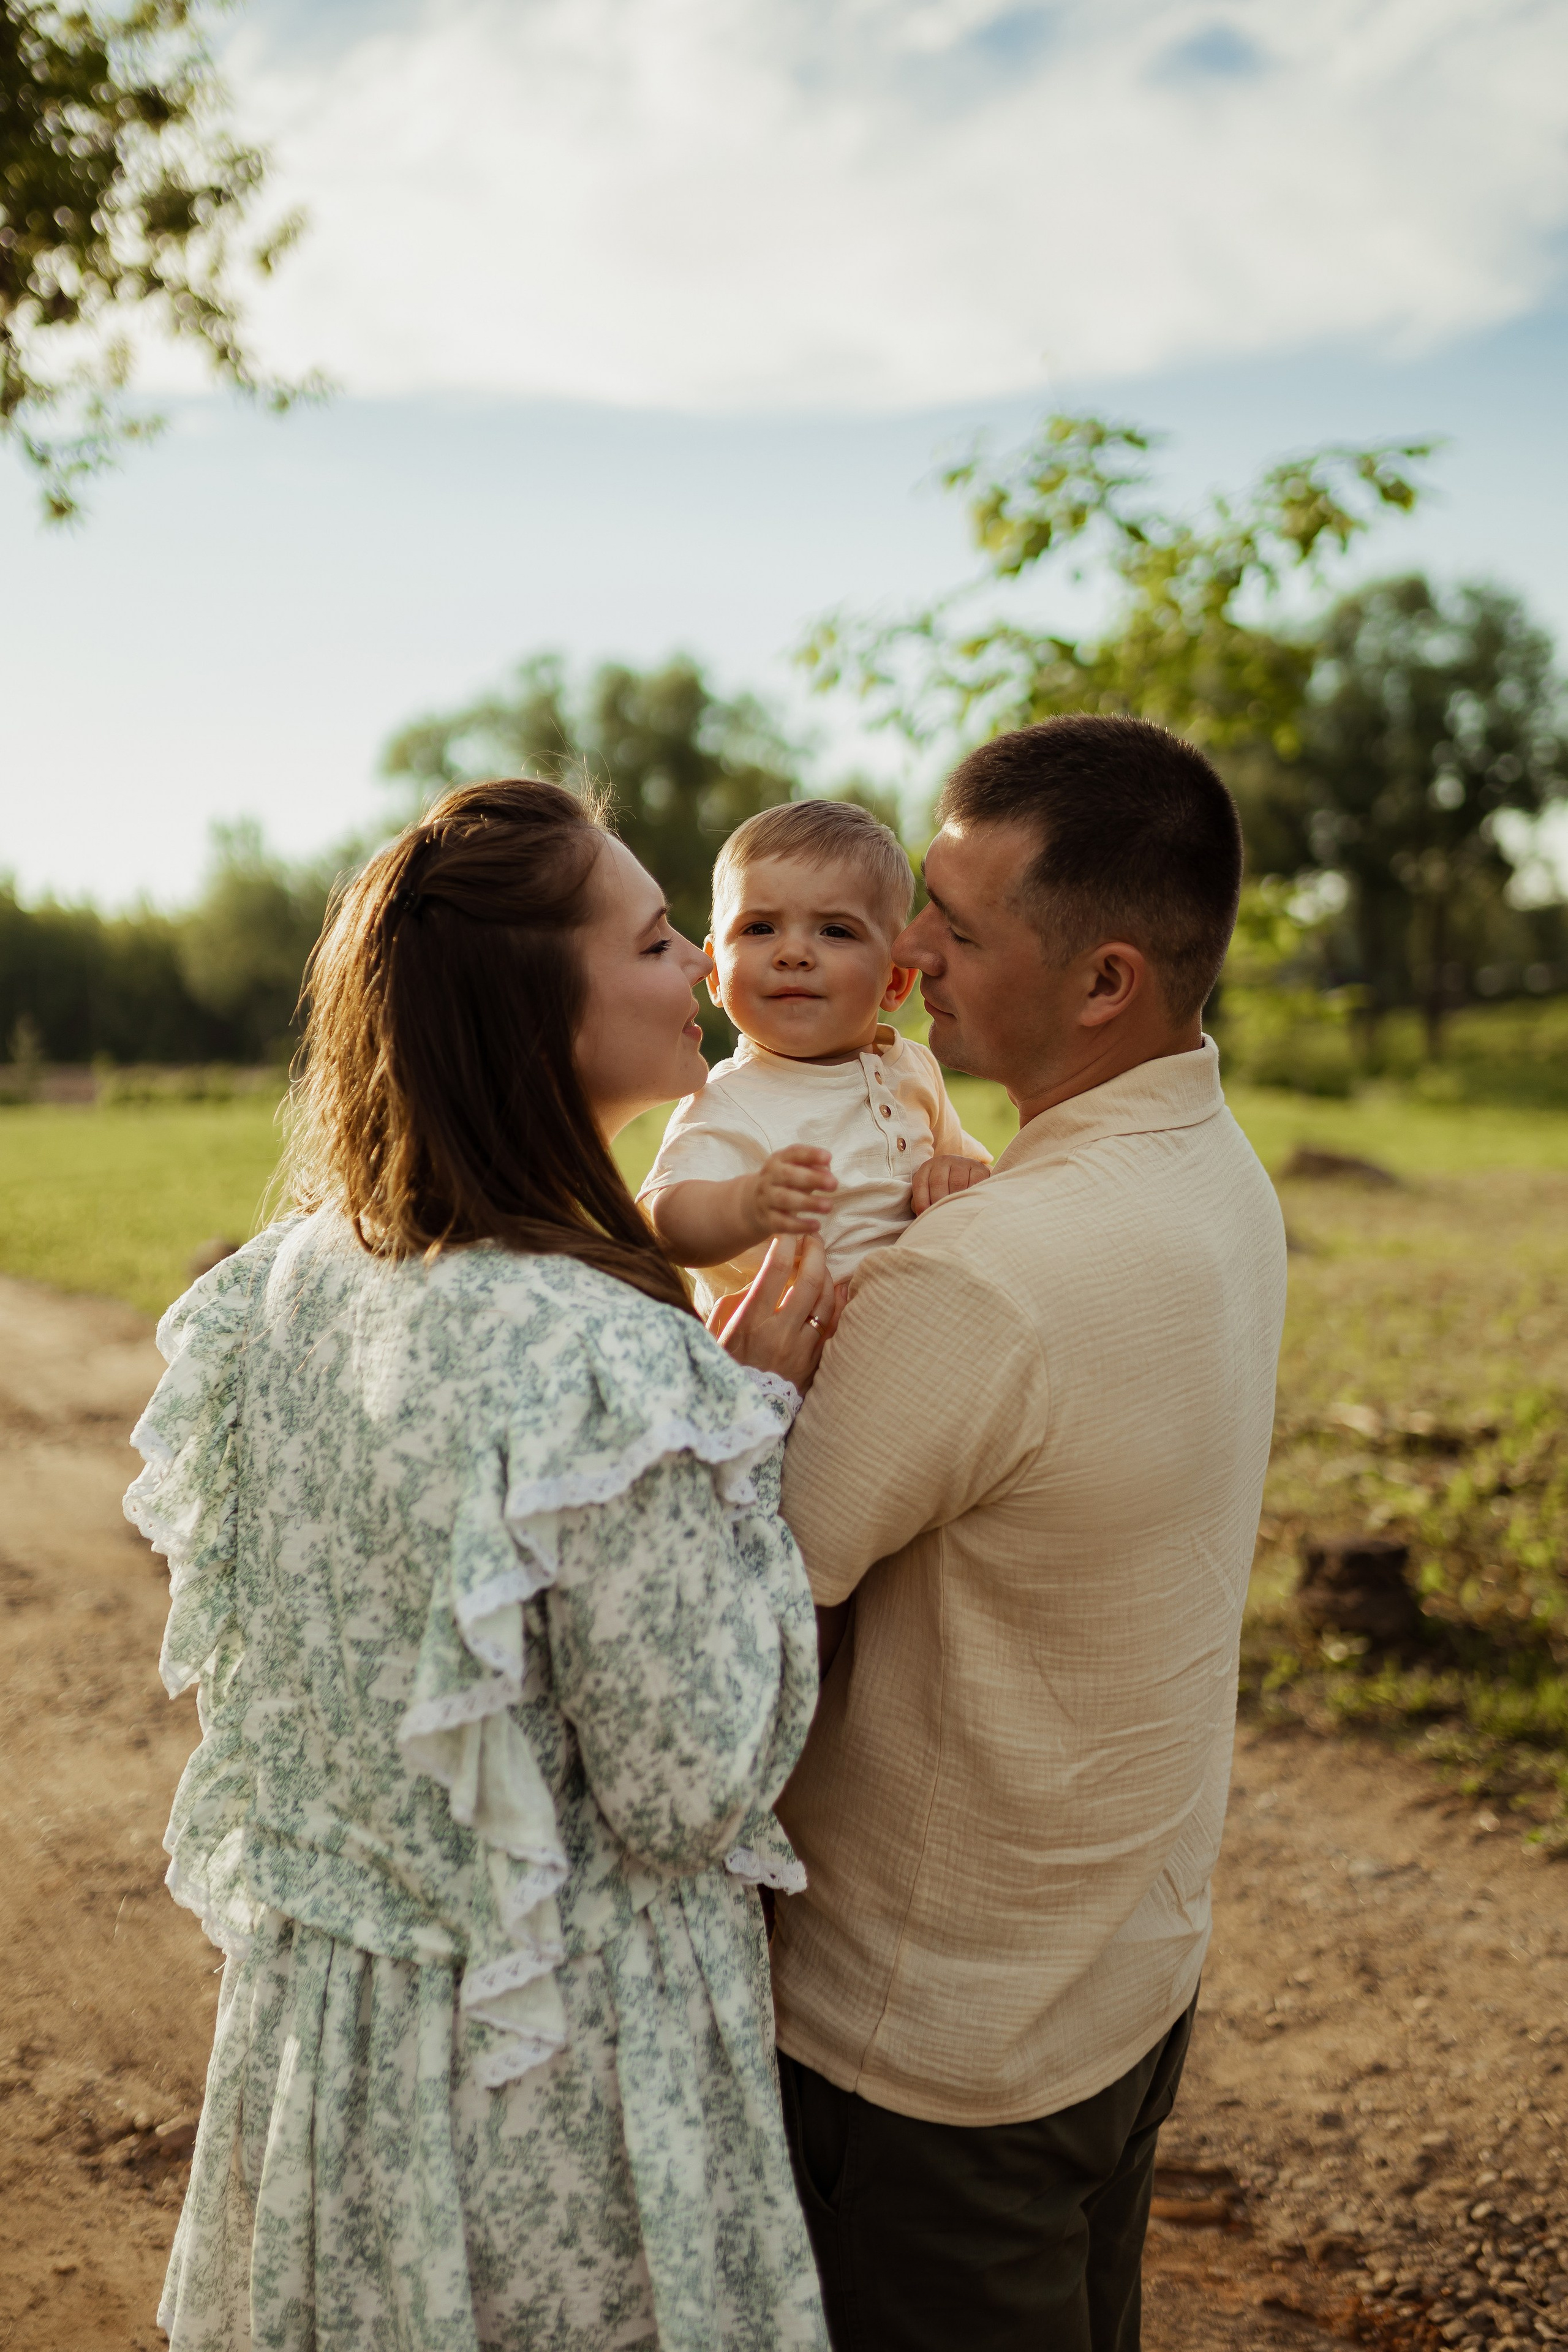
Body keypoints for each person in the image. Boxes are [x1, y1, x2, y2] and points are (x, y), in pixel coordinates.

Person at [123, 779, 835, 2352]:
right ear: (534, 1005)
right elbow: (686, 1781)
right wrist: (752, 1443)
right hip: (549, 2070)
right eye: (658, 941)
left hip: (339, 2051)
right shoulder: (595, 1355)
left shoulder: (296, 1280)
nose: (707, 971)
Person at [769, 715, 1289, 2352]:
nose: (906, 950)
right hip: (1124, 1974)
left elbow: (744, 1598)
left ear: (1107, 981)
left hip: (935, 2056)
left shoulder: (979, 1279)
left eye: (956, 921)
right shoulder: (1217, 1167)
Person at [638, 801, 990, 1316]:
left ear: (894, 981)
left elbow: (969, 1163)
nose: (794, 953)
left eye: (836, 931)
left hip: (918, 1323)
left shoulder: (913, 1068)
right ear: (715, 974)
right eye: (760, 929)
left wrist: (957, 1171)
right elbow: (671, 1223)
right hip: (796, 1367)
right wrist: (749, 1204)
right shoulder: (728, 1101)